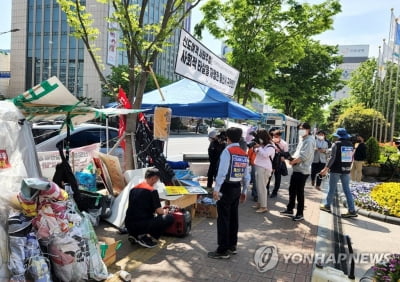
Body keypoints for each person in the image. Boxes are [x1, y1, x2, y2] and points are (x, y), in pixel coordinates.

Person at [208, 127, 250, 259]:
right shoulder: (243, 153)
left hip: (226, 188)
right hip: (237, 188)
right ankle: (232, 245)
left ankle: (222, 250)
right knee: (233, 218)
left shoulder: (228, 151)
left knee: (223, 219)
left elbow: (222, 172)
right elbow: (247, 175)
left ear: (228, 138)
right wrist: (244, 190)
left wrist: (216, 189)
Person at [125, 168, 174, 248]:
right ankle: (145, 236)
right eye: (157, 180)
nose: (157, 182)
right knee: (169, 218)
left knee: (145, 217)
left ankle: (135, 235)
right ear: (153, 178)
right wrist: (166, 211)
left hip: (128, 225)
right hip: (141, 225)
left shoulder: (133, 189)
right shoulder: (152, 191)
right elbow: (159, 212)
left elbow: (139, 205)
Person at [280, 122, 315, 221]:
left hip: (302, 170)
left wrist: (292, 162)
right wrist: (291, 159)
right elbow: (298, 153)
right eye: (299, 129)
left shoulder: (309, 140)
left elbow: (303, 156)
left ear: (308, 130)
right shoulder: (303, 139)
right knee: (292, 190)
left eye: (302, 128)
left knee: (299, 192)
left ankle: (300, 213)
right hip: (297, 169)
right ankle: (290, 209)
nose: (300, 130)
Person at [319, 128, 358, 218]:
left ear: (338, 136)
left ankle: (327, 206)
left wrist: (326, 168)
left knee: (331, 188)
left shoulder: (336, 144)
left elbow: (332, 157)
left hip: (336, 170)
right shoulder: (350, 145)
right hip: (346, 170)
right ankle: (352, 210)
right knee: (347, 190)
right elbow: (350, 158)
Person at [252, 129, 275, 213]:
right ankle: (259, 203)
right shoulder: (263, 145)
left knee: (262, 188)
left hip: (264, 168)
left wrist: (258, 148)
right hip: (259, 167)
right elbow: (257, 152)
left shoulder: (270, 146)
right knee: (259, 187)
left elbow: (265, 155)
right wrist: (256, 148)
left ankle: (264, 206)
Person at [268, 129, 289, 198]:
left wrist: (281, 155)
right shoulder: (271, 142)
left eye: (276, 136)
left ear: (280, 136)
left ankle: (275, 192)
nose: (275, 138)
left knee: (278, 178)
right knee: (268, 176)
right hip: (271, 161)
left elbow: (286, 154)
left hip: (279, 162)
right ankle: (266, 189)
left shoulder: (284, 144)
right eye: (274, 136)